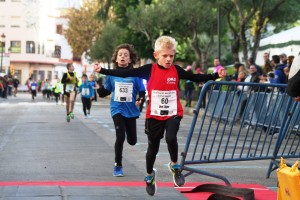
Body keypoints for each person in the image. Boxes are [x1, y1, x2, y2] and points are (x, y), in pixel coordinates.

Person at [94, 36, 226, 196]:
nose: (169, 59)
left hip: (173, 112)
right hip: (155, 115)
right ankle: (149, 175)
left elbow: (194, 77)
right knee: (153, 148)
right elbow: (125, 72)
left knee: (171, 138)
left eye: (171, 56)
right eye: (165, 56)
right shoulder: (149, 70)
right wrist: (103, 71)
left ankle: (175, 166)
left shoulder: (176, 70)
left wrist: (215, 75)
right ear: (156, 55)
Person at [97, 43, 145, 177]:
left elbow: (142, 91)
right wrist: (98, 89)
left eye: (125, 55)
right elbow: (106, 90)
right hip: (117, 109)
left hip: (131, 111)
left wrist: (140, 99)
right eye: (120, 55)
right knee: (120, 135)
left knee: (132, 141)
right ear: (116, 59)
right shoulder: (112, 75)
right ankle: (118, 165)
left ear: (130, 59)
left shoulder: (136, 75)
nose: (122, 57)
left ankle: (121, 158)